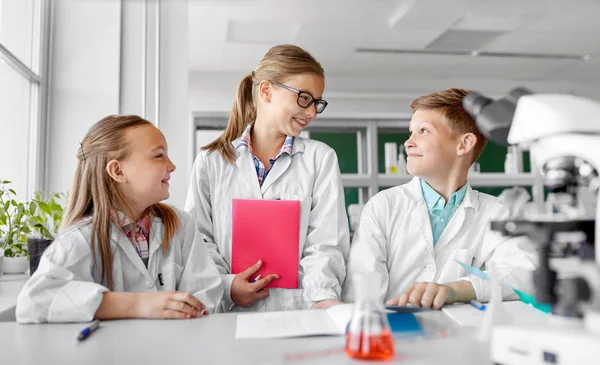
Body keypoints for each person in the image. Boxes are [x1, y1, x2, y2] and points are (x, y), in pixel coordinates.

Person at [185, 44, 349, 312]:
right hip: (228, 311)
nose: (312, 113)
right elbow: (198, 239)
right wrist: (227, 286)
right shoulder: (212, 161)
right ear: (266, 91)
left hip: (299, 309)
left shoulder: (320, 159)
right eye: (304, 98)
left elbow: (327, 242)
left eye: (317, 103)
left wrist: (321, 297)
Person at [16, 115, 223, 323]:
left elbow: (206, 293)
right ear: (117, 171)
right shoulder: (80, 238)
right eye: (159, 155)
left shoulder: (181, 225)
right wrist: (140, 304)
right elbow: (34, 302)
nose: (171, 165)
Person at [343, 88, 537, 309]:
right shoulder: (384, 206)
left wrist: (454, 289)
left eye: (423, 131)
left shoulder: (496, 212)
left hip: (461, 337)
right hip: (392, 334)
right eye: (411, 132)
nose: (408, 142)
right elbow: (361, 292)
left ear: (463, 144)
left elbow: (525, 272)